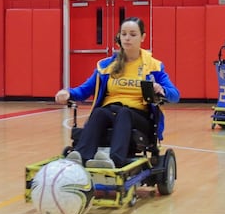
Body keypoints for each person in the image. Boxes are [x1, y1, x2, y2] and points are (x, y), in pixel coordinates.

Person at [55, 17, 180, 168]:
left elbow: (175, 95)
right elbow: (85, 89)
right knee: (99, 112)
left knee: (124, 113)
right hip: (111, 110)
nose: (127, 38)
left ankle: (115, 160)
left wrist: (162, 90)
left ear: (143, 37)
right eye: (124, 34)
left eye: (133, 34)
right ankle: (81, 157)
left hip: (139, 116)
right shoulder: (107, 65)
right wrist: (67, 93)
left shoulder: (154, 66)